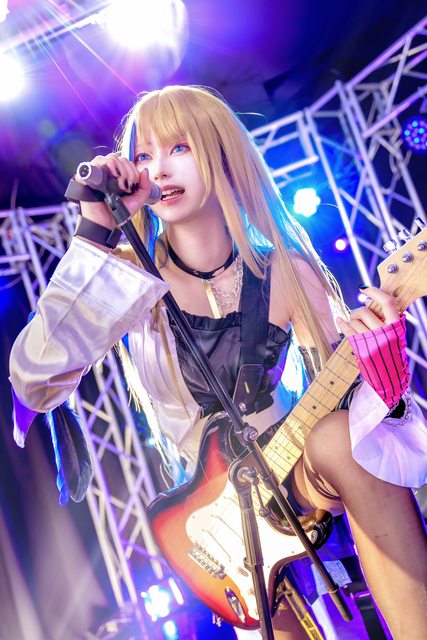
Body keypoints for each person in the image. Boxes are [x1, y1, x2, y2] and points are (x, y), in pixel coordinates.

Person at [9, 85, 427, 639]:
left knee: (336, 436)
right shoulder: (128, 278)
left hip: (300, 476)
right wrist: (96, 231)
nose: (158, 168)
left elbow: (355, 415)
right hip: (216, 523)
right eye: (143, 155)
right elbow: (34, 378)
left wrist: (383, 375)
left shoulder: (287, 272)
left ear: (222, 154)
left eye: (179, 147)